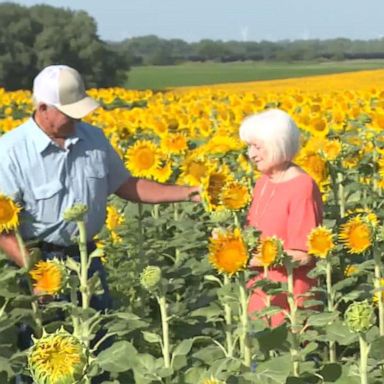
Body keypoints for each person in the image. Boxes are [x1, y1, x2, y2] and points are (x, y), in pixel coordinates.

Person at [0, 64, 200, 383]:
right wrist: (36, 272)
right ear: (42, 109)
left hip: (88, 261)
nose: (78, 118)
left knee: (97, 345)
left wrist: (187, 193)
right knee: (43, 355)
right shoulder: (10, 151)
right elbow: (2, 226)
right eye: (69, 112)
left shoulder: (93, 138)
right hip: (38, 262)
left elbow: (126, 185)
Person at [239, 108, 323, 327]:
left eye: (257, 147)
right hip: (258, 294)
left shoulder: (301, 186)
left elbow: (303, 255)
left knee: (288, 357)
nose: (251, 154)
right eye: (249, 146)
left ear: (278, 144)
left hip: (288, 299)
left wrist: (248, 260)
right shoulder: (263, 182)